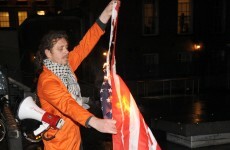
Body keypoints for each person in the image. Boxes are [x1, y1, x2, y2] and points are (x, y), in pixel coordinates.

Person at [35, 1, 119, 149]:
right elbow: (67, 104)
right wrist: (94, 121)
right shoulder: (47, 81)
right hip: (59, 144)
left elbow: (85, 45)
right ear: (48, 54)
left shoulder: (65, 66)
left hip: (74, 137)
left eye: (66, 47)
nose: (67, 51)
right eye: (61, 49)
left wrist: (105, 15)